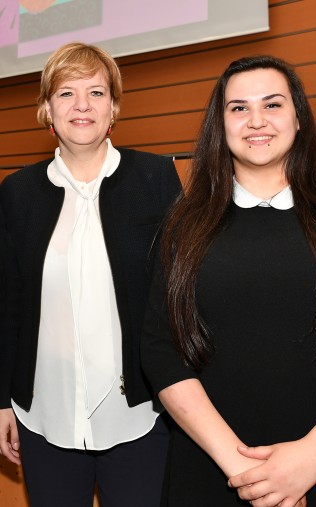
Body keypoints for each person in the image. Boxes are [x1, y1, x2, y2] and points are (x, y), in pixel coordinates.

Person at [141, 54, 316, 506]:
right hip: (214, 472)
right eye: (238, 107)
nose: (255, 120)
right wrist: (246, 472)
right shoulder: (184, 225)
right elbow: (161, 350)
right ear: (219, 126)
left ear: (299, 118)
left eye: (273, 104)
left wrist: (309, 460)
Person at [0, 42, 181, 507]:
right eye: (66, 93)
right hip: (44, 418)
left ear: (114, 107)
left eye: (96, 93)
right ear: (46, 109)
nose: (82, 105)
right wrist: (1, 400)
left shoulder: (157, 178)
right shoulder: (17, 193)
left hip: (140, 415)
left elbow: (180, 297)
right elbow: (7, 302)